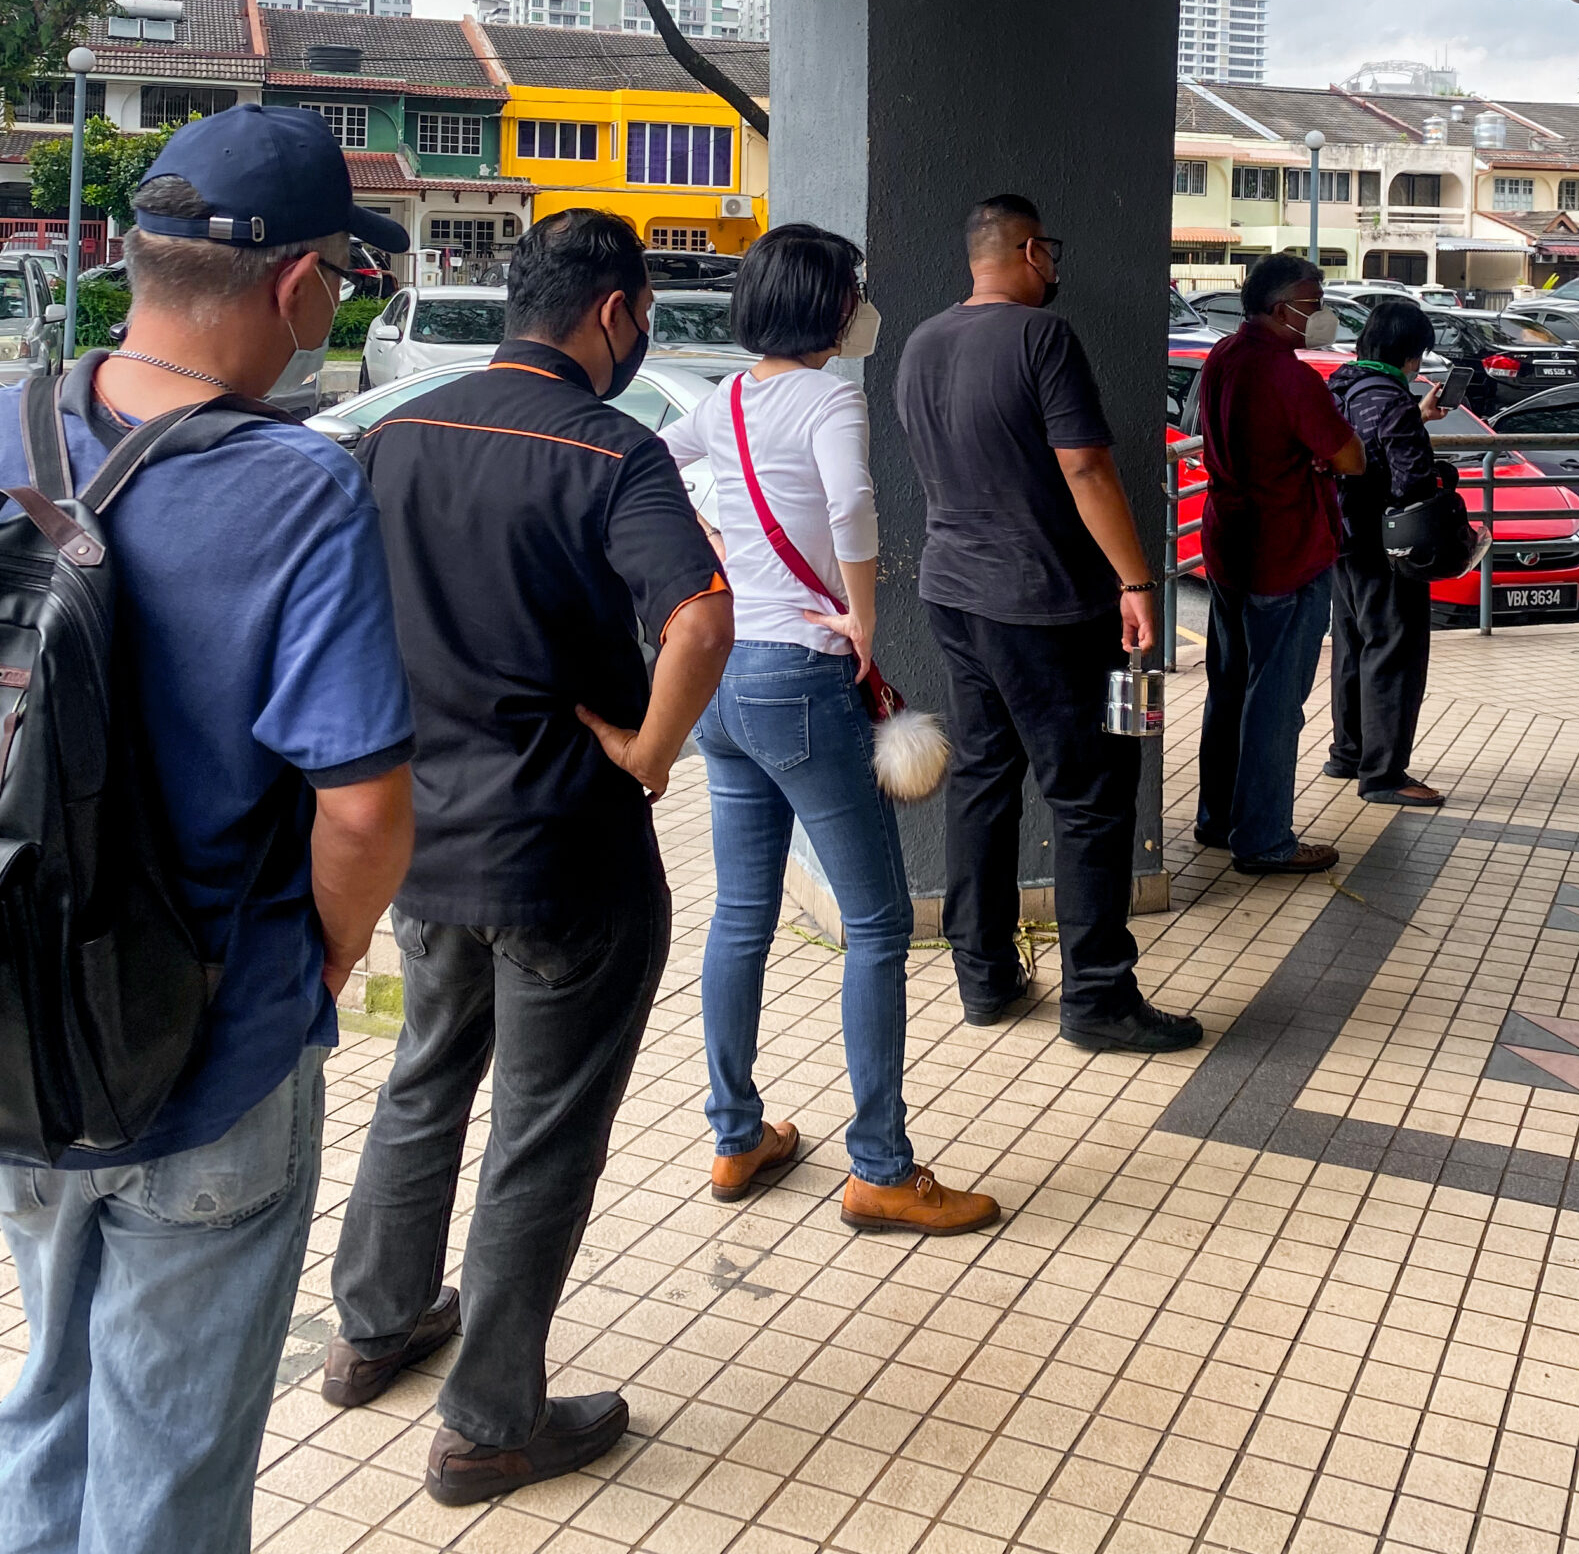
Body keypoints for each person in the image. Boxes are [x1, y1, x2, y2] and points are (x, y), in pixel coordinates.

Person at [0, 106, 416, 1554]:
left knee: (48, 1393)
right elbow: (363, 803)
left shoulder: (4, 419)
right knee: (169, 1469)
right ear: (304, 287)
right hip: (208, 1048)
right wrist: (318, 973)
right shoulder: (296, 486)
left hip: (16, 1023)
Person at [327, 210, 733, 1509]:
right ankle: (490, 1420)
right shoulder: (612, 452)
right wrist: (651, 754)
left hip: (417, 839)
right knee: (544, 1133)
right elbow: (699, 615)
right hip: (566, 853)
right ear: (615, 313)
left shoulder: (391, 434)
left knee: (425, 1072)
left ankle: (375, 1323)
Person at [643, 224, 998, 1234]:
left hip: (722, 686)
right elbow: (849, 499)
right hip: (800, 677)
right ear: (828, 304)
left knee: (741, 915)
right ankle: (881, 1166)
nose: (861, 301)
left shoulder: (731, 397)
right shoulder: (830, 396)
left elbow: (653, 461)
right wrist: (865, 617)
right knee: (879, 923)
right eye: (854, 286)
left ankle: (735, 1134)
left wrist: (713, 545)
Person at [895, 195, 1200, 1056]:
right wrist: (1135, 580)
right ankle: (1099, 998)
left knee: (984, 781)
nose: (1056, 269)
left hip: (953, 593)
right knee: (1092, 797)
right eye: (1051, 253)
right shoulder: (1042, 340)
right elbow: (1085, 464)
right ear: (1030, 251)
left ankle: (984, 977)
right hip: (1044, 602)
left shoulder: (922, 342)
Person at [1196, 252, 1366, 875]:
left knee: (1230, 688)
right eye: (1312, 301)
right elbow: (1350, 457)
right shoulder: (1289, 376)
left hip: (1228, 550)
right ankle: (1264, 839)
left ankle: (1218, 818)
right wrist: (1319, 456)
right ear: (1278, 308)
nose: (1321, 313)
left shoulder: (1222, 357)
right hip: (1287, 557)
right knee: (1274, 704)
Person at [1326, 297, 1449, 807]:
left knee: (1352, 646)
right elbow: (1411, 480)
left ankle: (1348, 753)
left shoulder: (1342, 386)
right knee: (1394, 652)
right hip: (1386, 545)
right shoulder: (1393, 400)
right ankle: (1383, 775)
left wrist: (1414, 417)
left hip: (1341, 537)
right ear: (1412, 354)